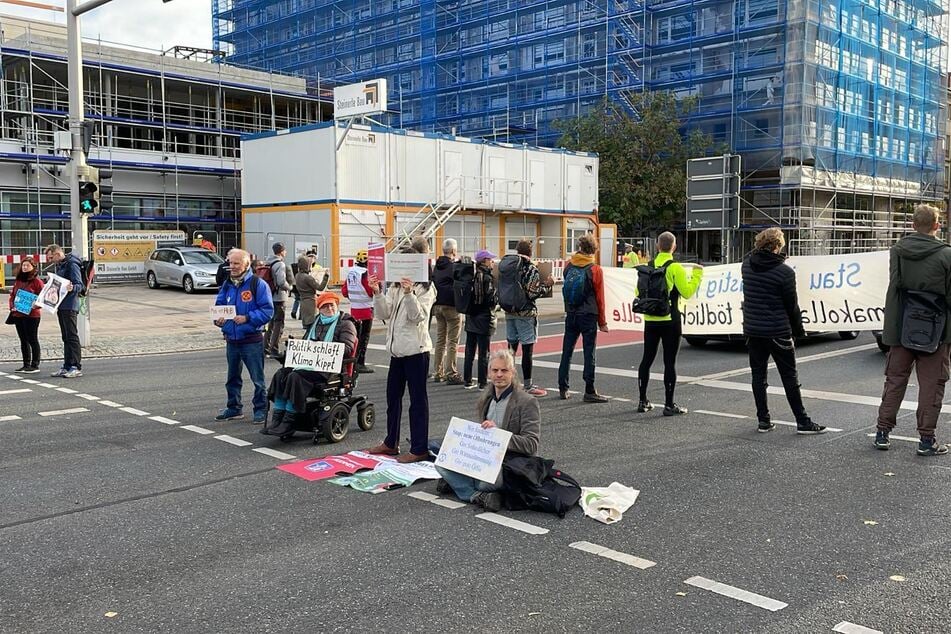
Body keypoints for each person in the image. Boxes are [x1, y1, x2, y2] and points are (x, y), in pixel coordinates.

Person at [875, 204, 951, 456]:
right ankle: (926, 440)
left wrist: (892, 328)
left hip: (902, 326)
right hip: (936, 330)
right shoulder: (946, 255)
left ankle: (883, 432)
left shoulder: (897, 250)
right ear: (937, 225)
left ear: (912, 224)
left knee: (895, 380)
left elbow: (895, 286)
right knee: (932, 385)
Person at [431, 349, 540, 511]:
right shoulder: (486, 398)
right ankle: (476, 495)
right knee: (441, 462)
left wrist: (500, 436)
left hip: (508, 464)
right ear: (489, 372)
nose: (499, 375)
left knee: (485, 482)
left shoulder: (527, 402)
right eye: (495, 370)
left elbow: (531, 445)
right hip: (483, 460)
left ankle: (460, 484)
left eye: (504, 370)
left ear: (513, 372)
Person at [741, 228, 825, 434]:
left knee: (758, 377)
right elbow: (792, 306)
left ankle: (763, 420)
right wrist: (799, 330)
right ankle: (802, 421)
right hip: (778, 331)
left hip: (753, 330)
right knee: (790, 378)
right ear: (778, 246)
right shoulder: (785, 272)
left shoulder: (747, 266)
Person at [368, 237, 436, 463]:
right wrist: (377, 292)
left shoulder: (426, 288)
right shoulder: (395, 287)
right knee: (392, 398)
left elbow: (418, 316)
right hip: (397, 353)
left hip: (417, 352)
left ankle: (419, 448)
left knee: (418, 401)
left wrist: (409, 294)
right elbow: (383, 314)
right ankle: (391, 442)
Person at [261, 291, 358, 437]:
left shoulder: (346, 324)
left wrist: (322, 349)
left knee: (295, 377)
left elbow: (348, 348)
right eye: (325, 307)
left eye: (332, 305)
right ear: (320, 309)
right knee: (281, 374)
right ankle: (278, 418)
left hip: (330, 368)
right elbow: (306, 343)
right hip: (309, 363)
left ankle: (289, 420)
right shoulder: (316, 322)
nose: (329, 309)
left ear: (336, 305)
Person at [635, 231, 702, 415]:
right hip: (670, 320)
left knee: (646, 360)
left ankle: (643, 401)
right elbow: (687, 292)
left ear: (657, 246)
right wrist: (696, 276)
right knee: (669, 362)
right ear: (674, 247)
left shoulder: (647, 267)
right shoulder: (675, 268)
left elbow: (638, 292)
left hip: (650, 320)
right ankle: (669, 404)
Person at [213, 248, 274, 424]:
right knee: (232, 377)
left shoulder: (258, 284)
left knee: (258, 379)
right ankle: (234, 408)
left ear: (246, 264)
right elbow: (219, 307)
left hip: (251, 340)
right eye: (230, 263)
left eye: (236, 263)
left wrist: (247, 318)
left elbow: (268, 311)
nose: (232, 266)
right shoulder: (227, 284)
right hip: (231, 340)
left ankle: (260, 409)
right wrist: (218, 321)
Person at [557, 234, 608, 402]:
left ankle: (563, 387)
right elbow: (600, 298)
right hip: (588, 314)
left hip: (571, 313)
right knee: (589, 352)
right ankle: (589, 389)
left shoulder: (569, 265)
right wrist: (602, 322)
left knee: (567, 351)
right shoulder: (595, 269)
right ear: (593, 250)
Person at [500, 239, 553, 397]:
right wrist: (548, 284)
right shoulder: (530, 268)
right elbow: (532, 293)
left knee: (511, 350)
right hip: (526, 313)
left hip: (509, 311)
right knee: (527, 349)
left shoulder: (508, 266)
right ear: (531, 252)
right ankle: (528, 384)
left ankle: (508, 382)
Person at [45, 244, 85, 378]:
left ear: (57, 253)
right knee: (66, 337)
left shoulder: (71, 264)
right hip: (61, 305)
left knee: (72, 336)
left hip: (70, 305)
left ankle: (75, 366)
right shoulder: (61, 265)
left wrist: (72, 288)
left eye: (51, 257)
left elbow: (79, 285)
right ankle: (67, 365)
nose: (50, 260)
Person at [462, 249, 498, 390]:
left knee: (469, 350)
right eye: (490, 259)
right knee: (484, 352)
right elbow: (490, 300)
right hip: (484, 317)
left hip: (471, 316)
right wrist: (496, 296)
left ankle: (467, 380)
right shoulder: (487, 278)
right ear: (484, 261)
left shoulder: (471, 275)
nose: (492, 262)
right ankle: (482, 382)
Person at [431, 238, 464, 384]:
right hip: (452, 306)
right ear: (454, 251)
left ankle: (438, 372)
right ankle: (451, 372)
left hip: (438, 305)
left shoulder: (436, 266)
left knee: (440, 340)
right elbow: (461, 283)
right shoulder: (454, 267)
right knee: (452, 341)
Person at [8, 256, 44, 373]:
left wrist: (36, 305)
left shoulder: (37, 282)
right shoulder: (18, 280)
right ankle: (26, 364)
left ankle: (35, 364)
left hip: (32, 315)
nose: (24, 267)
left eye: (27, 265)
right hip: (18, 314)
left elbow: (43, 298)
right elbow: (13, 295)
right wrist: (12, 306)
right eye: (23, 265)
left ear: (33, 267)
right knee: (23, 340)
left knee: (32, 339)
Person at [341, 248, 375, 373]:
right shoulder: (365, 273)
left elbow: (344, 291)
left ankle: (352, 362)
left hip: (354, 309)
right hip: (366, 309)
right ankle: (360, 363)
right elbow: (370, 292)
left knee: (355, 338)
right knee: (364, 338)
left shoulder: (351, 272)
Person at [264, 242, 293, 358]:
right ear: (281, 251)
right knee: (279, 323)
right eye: (285, 250)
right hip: (279, 297)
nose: (285, 252)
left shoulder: (268, 262)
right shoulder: (280, 264)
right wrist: (289, 287)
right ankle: (274, 348)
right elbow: (281, 281)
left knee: (270, 323)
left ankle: (265, 347)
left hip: (269, 295)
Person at [294, 252, 328, 332]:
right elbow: (320, 288)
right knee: (312, 324)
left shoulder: (297, 276)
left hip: (303, 301)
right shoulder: (308, 278)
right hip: (311, 302)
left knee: (306, 324)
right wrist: (326, 276)